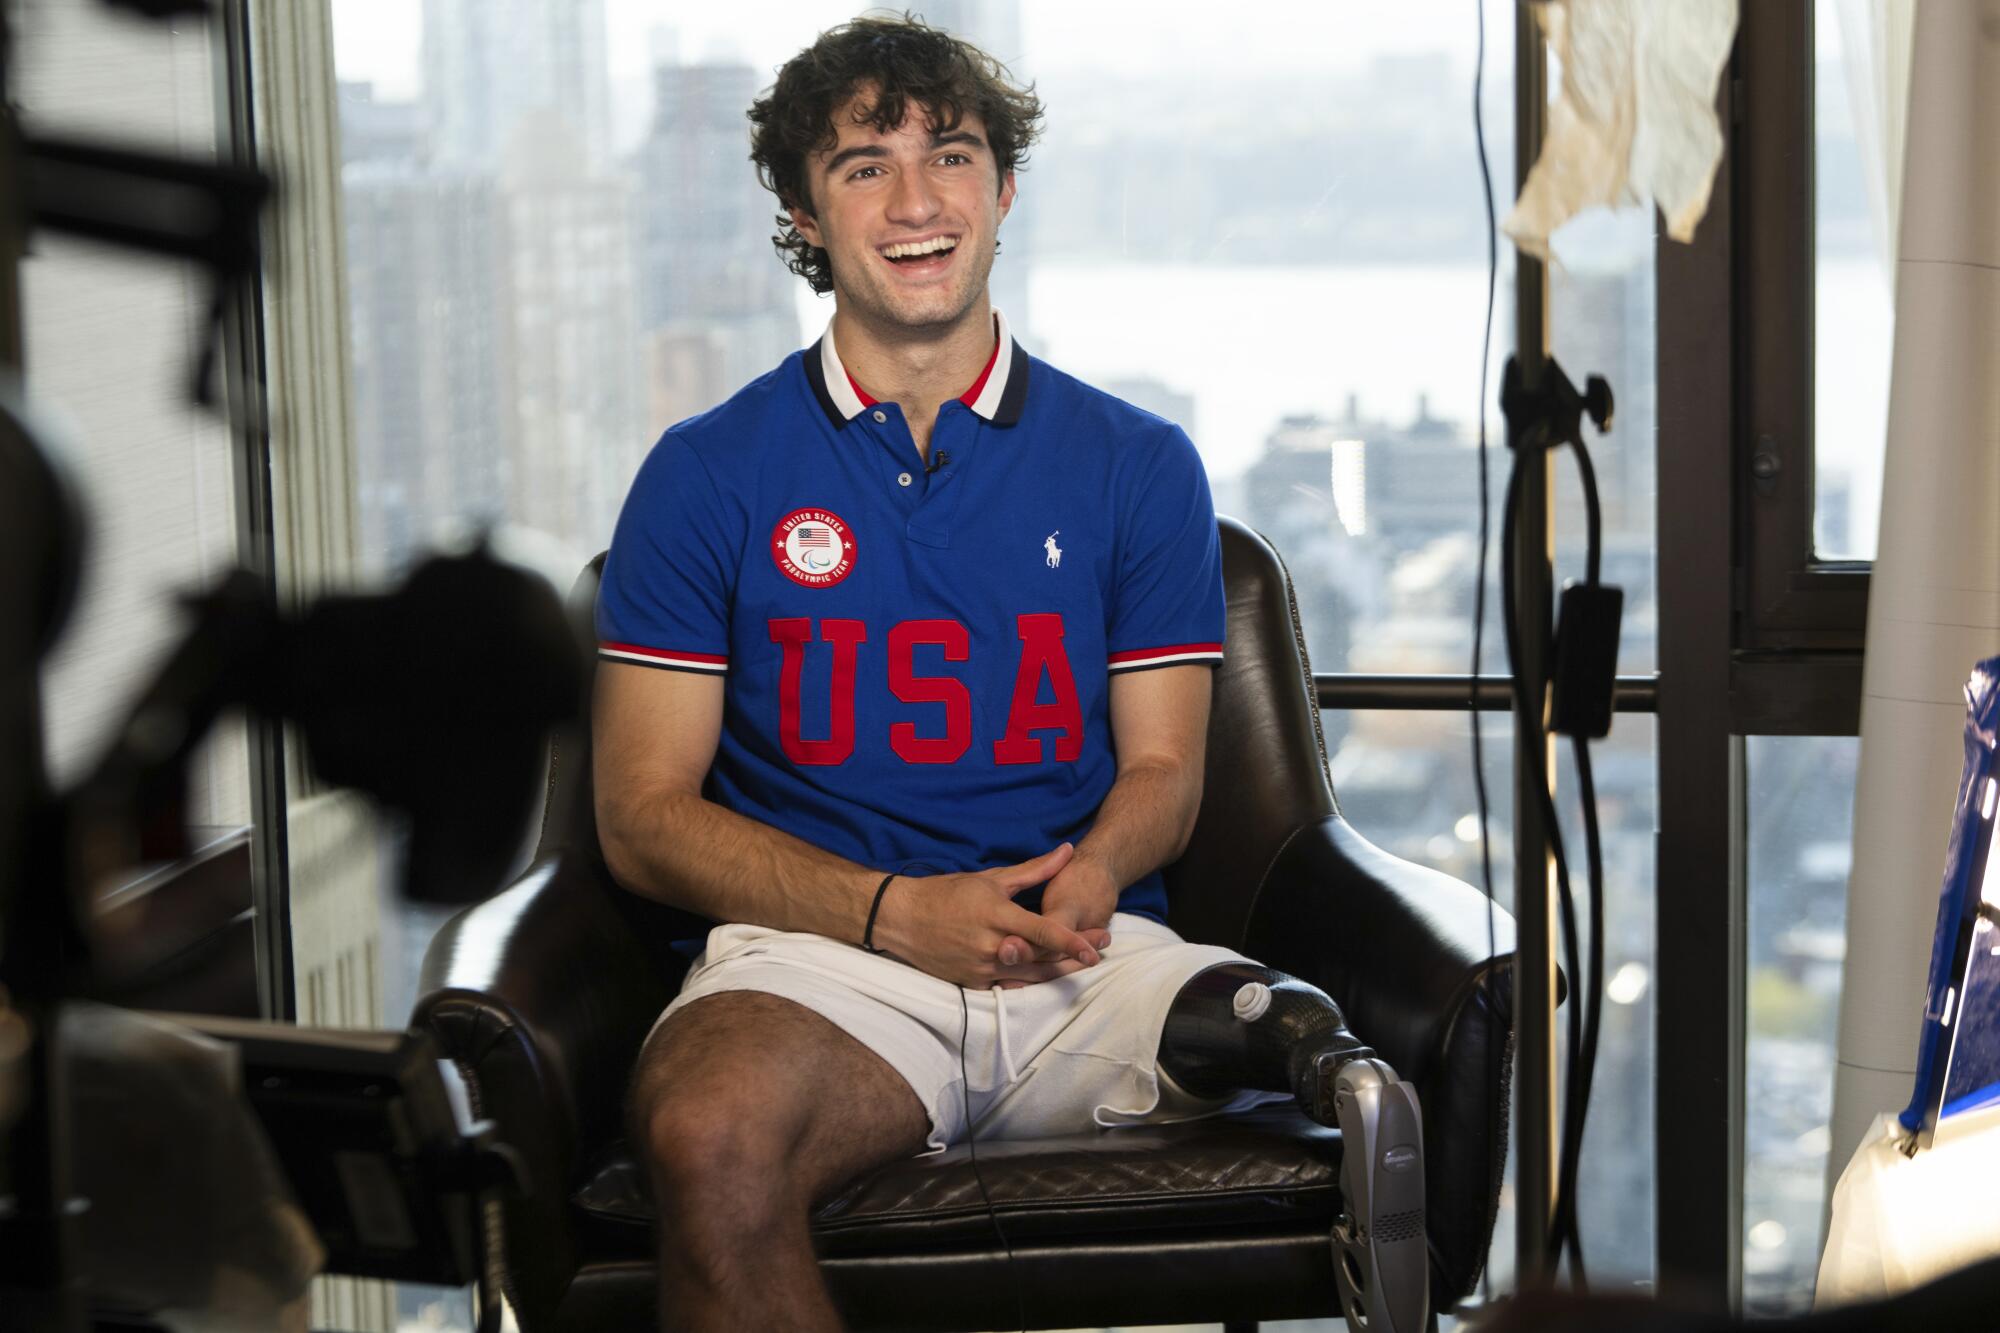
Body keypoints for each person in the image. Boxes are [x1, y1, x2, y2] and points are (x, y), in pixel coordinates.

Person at [592, 16, 1392, 1331]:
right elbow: (640, 812)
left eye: (951, 155)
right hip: (823, 966)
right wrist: (893, 913)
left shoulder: (1140, 462)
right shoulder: (706, 471)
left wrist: (1087, 871)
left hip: (1086, 950)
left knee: (1358, 1085)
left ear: (1002, 191)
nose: (917, 201)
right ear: (804, 209)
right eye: (863, 166)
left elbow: (1163, 771)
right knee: (706, 1134)